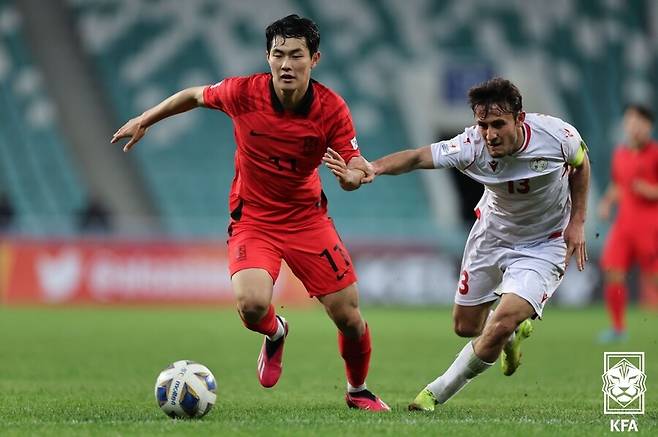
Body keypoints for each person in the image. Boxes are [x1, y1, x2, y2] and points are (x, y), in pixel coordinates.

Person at [111, 14, 389, 411]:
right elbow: (193, 95)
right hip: (254, 218)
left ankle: (357, 389)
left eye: (296, 55)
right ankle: (276, 332)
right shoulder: (243, 93)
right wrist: (145, 119)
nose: (286, 64)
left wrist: (352, 178)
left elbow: (355, 162)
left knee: (349, 316)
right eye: (278, 55)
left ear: (315, 59)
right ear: (268, 57)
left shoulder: (331, 109)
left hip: (307, 219)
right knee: (252, 305)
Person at [342, 77, 589, 411]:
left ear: (520, 118)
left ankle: (434, 393)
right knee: (465, 327)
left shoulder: (557, 136)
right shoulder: (471, 146)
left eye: (498, 124)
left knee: (500, 322)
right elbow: (417, 158)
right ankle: (512, 336)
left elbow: (581, 164)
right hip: (492, 235)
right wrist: (373, 167)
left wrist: (577, 223)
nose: (490, 134)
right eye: (483, 125)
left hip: (545, 244)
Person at [597, 104, 658, 342]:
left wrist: (650, 190)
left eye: (639, 121)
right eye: (630, 120)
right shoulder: (620, 154)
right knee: (613, 272)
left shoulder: (654, 153)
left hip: (650, 226)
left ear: (649, 126)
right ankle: (618, 328)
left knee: (653, 278)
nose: (634, 126)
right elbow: (618, 184)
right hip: (624, 226)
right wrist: (607, 201)